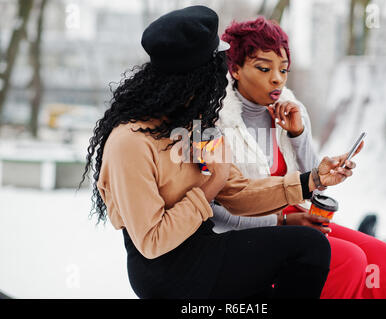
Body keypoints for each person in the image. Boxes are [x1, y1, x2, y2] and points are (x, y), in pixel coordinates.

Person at [80, 6, 360, 299]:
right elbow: (152, 240)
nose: (221, 85)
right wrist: (211, 182)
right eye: (217, 74)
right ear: (197, 80)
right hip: (165, 271)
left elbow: (238, 193)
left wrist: (311, 180)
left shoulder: (195, 126)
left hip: (205, 247)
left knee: (306, 248)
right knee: (306, 248)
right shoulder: (130, 142)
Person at [211, 16, 386, 299]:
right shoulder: (215, 122)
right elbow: (214, 211)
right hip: (249, 234)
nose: (277, 78)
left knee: (383, 257)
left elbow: (313, 188)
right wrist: (281, 222)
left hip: (298, 220)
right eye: (264, 68)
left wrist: (298, 135)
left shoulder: (289, 110)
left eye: (284, 70)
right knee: (351, 260)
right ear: (235, 69)